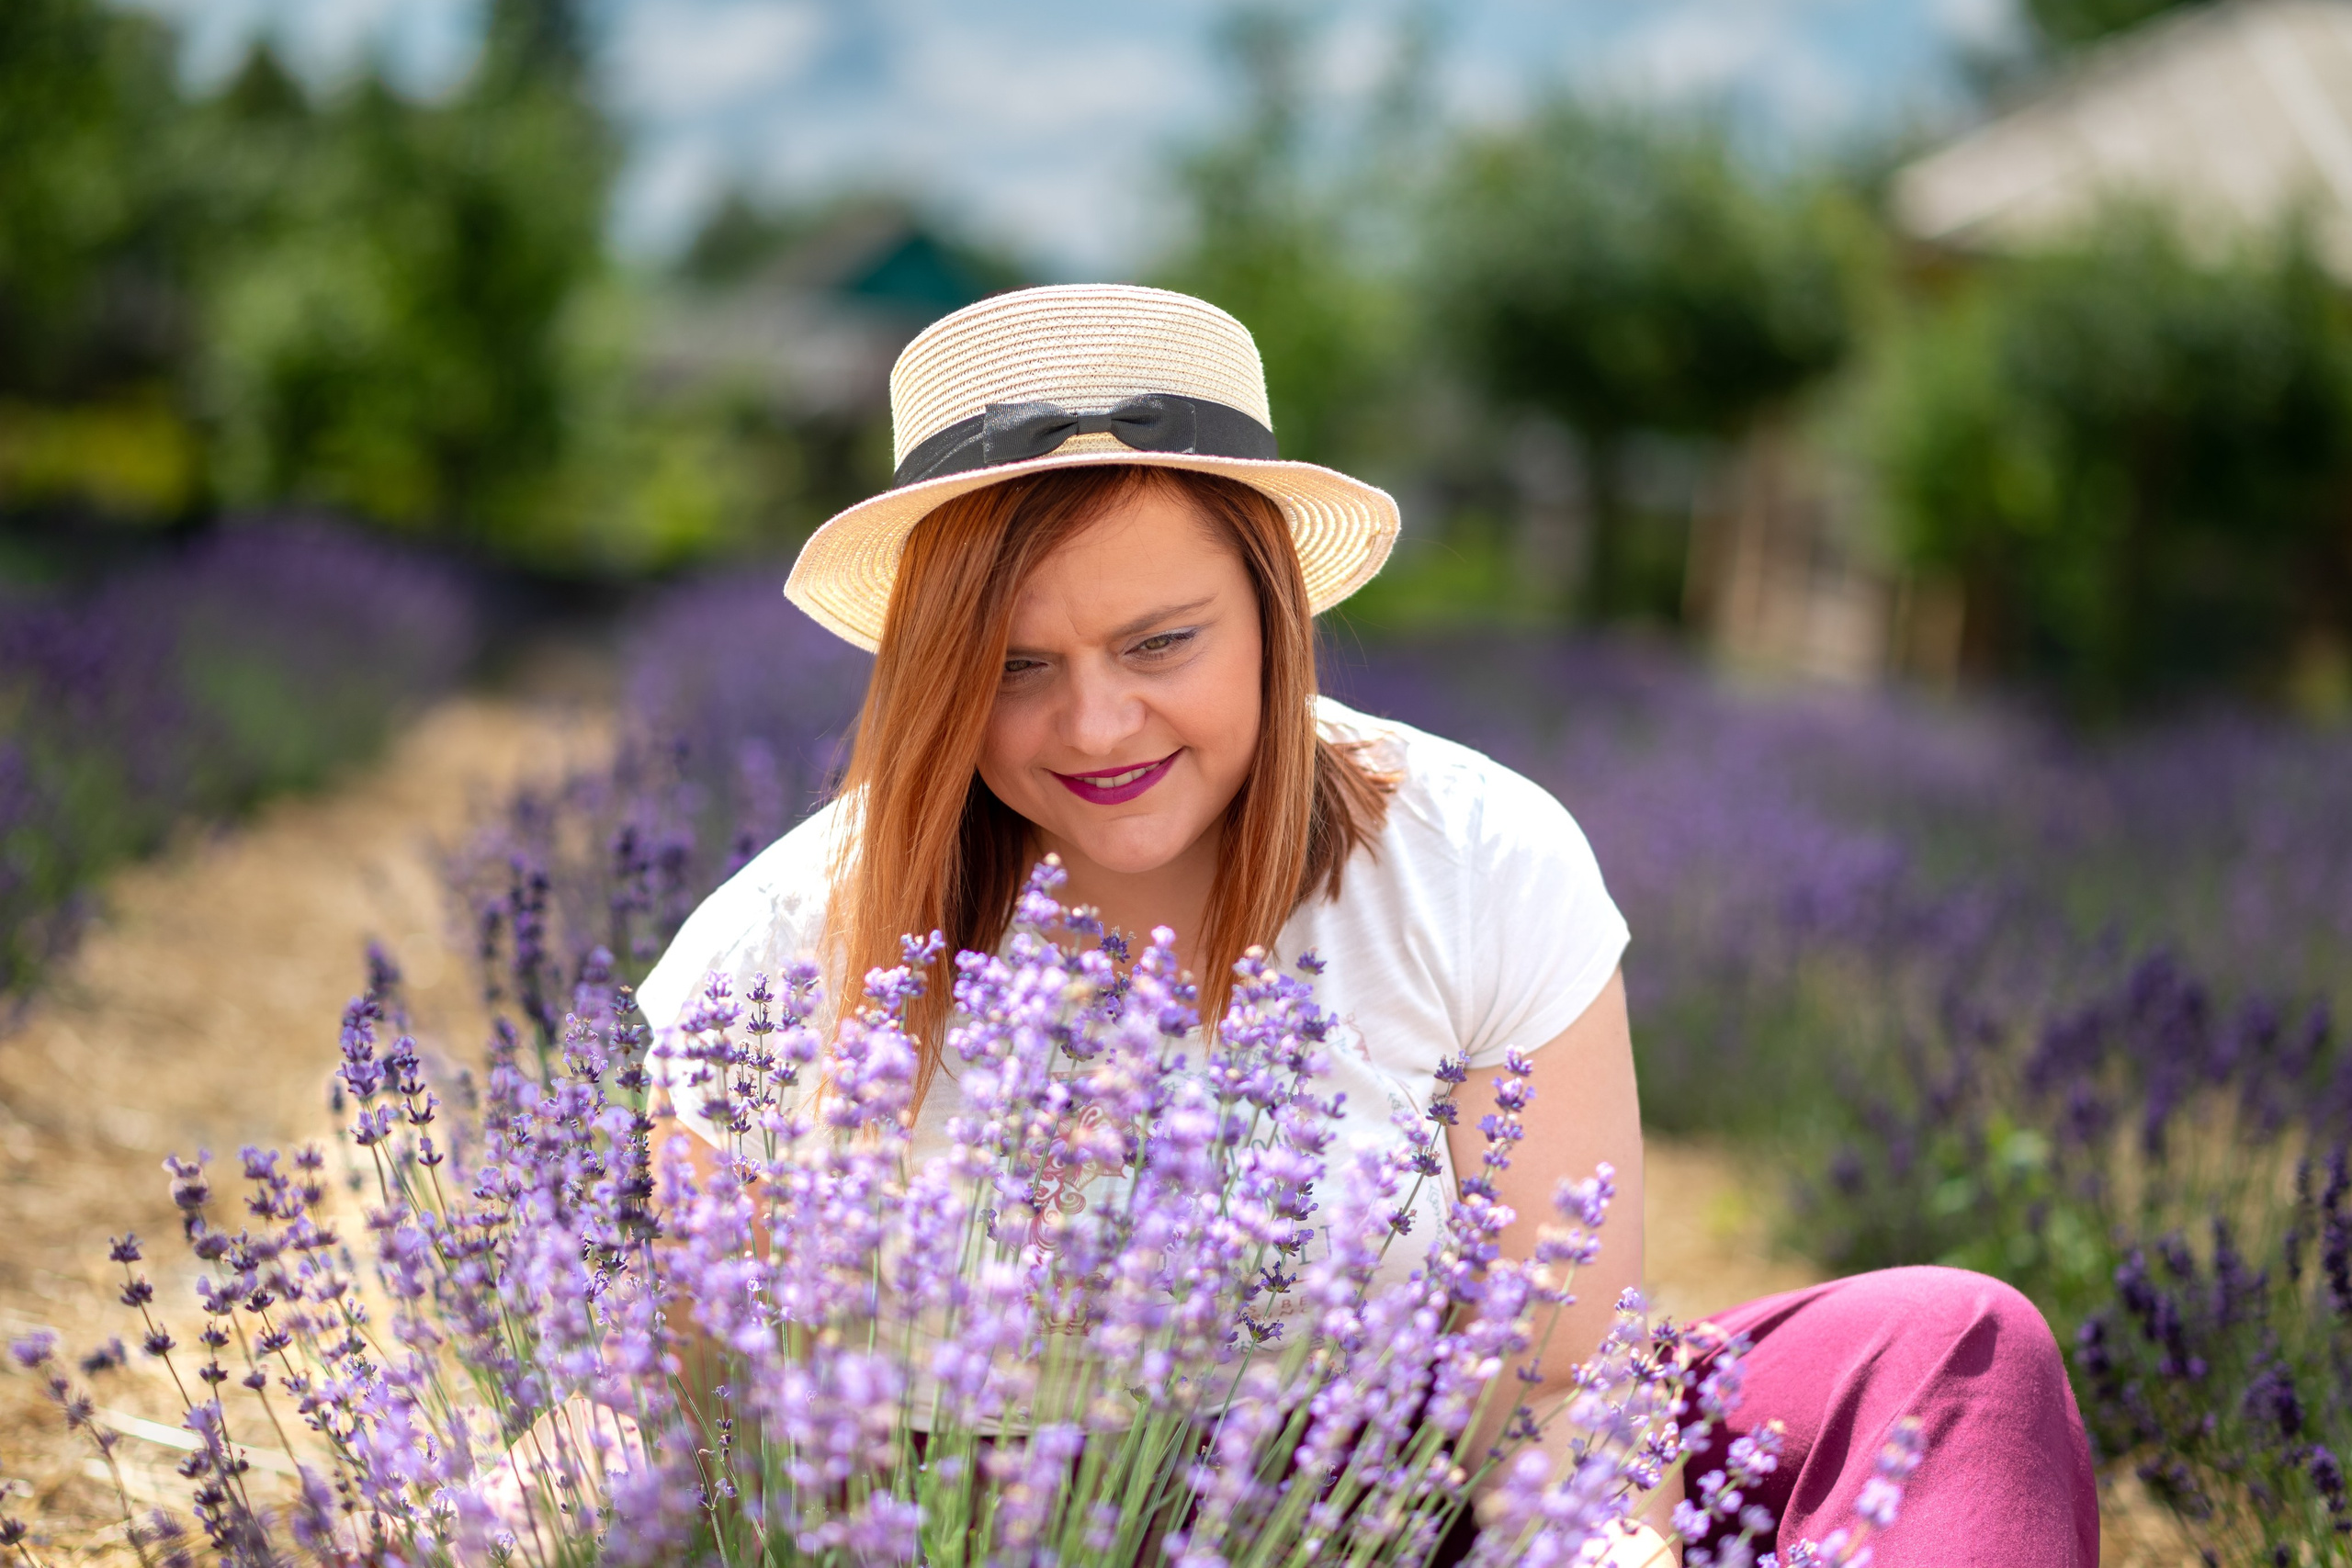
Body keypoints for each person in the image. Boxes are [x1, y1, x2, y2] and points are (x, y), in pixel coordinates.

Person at [636, 284, 2101, 1565]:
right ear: (936, 671)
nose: (1096, 721)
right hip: (1007, 1532)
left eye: (1162, 642)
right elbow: (696, 1424)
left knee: (1948, 1346)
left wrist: (1612, 1551)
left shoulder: (1471, 858)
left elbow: (1564, 1387)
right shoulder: (770, 957)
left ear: (1276, 611)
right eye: (1017, 666)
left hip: (1412, 1505)